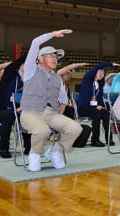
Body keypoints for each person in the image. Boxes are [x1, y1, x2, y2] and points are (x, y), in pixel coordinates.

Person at [19, 29, 83, 172]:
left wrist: (64, 103)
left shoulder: (56, 78)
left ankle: (55, 151)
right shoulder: (31, 70)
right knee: (43, 131)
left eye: (56, 56)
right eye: (51, 55)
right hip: (31, 112)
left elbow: (62, 95)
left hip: (50, 113)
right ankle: (34, 154)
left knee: (76, 128)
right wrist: (53, 34)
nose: (55, 58)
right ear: (40, 58)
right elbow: (35, 43)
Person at [0, 55, 31, 158]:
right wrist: (31, 53)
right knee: (9, 115)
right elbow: (11, 66)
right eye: (27, 64)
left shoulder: (28, 81)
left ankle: (28, 147)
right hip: (1, 111)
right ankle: (4, 148)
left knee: (27, 115)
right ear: (21, 65)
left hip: (18, 111)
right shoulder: (10, 76)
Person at [77, 61, 120, 147]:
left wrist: (100, 105)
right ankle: (95, 140)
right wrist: (110, 64)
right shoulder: (87, 80)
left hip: (95, 107)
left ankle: (109, 139)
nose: (102, 74)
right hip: (84, 107)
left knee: (106, 114)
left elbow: (100, 98)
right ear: (94, 72)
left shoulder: (100, 85)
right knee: (97, 114)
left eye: (103, 72)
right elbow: (98, 66)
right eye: (100, 72)